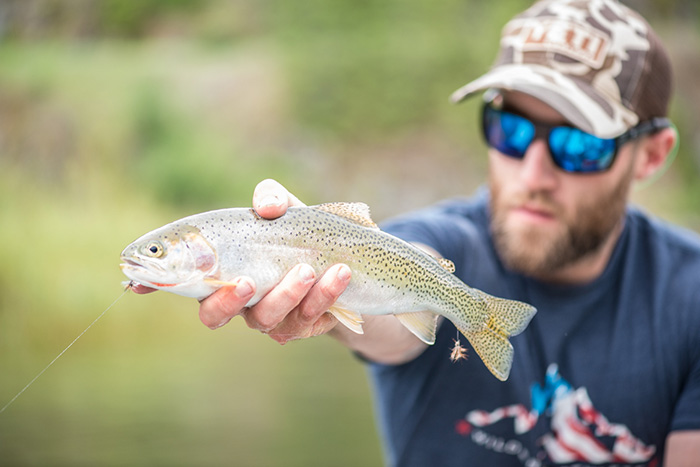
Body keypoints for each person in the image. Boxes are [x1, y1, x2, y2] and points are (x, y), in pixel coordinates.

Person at [138, 0, 700, 465]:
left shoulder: (690, 296)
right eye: (507, 126)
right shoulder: (451, 242)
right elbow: (398, 297)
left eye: (579, 145)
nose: (533, 173)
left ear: (651, 155)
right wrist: (326, 304)